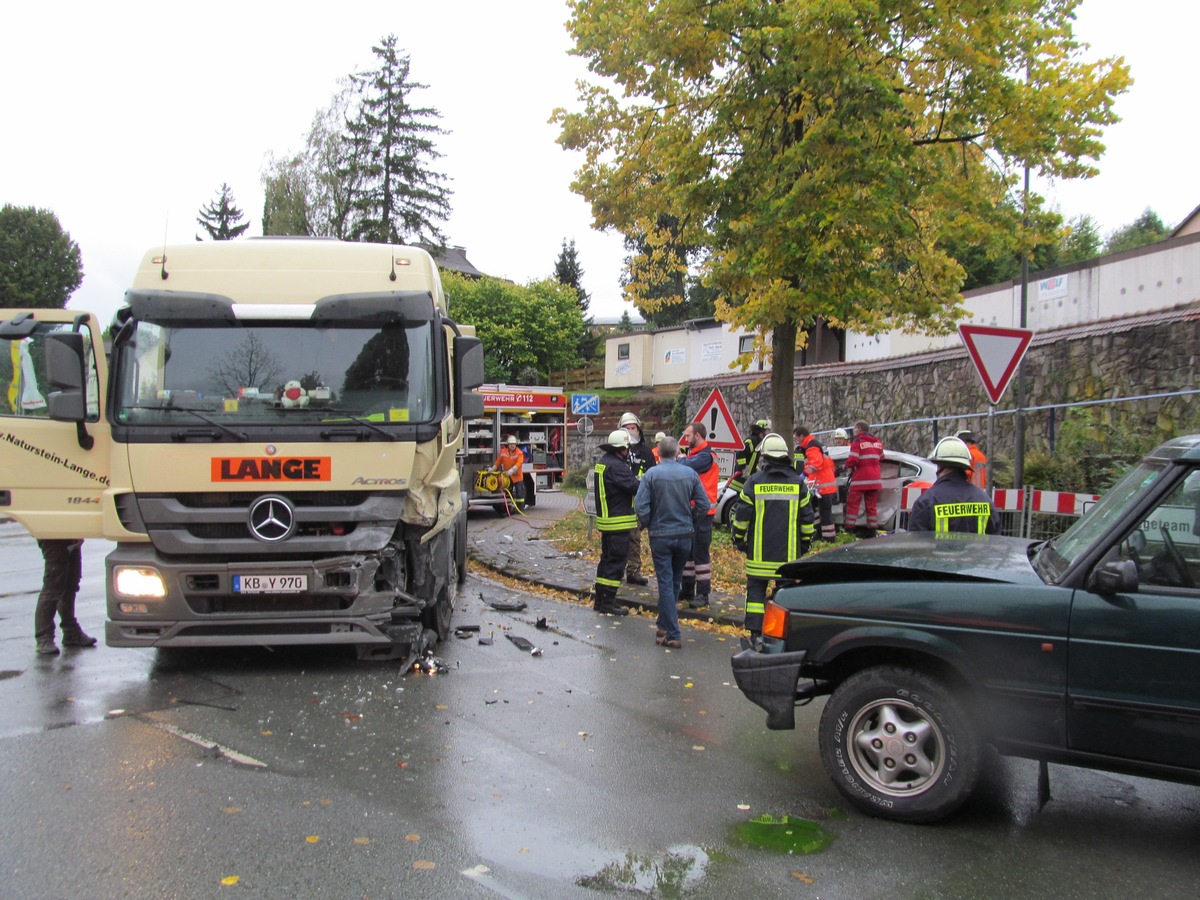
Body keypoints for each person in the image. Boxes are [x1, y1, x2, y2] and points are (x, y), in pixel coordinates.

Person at [732, 434, 814, 639]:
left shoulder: (754, 482)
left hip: (759, 558)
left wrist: (739, 540)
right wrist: (804, 545)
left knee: (756, 595)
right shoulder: (798, 484)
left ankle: (756, 633)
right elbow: (807, 520)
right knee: (784, 596)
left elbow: (742, 517)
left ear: (765, 457)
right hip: (788, 559)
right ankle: (780, 634)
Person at [634, 436, 708, 650]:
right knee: (674, 582)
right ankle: (663, 626)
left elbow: (640, 505)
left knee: (666, 583)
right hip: (684, 535)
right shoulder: (690, 474)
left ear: (659, 452)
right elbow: (703, 504)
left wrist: (649, 522)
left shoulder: (651, 474)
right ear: (677, 453)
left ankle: (673, 633)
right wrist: (691, 521)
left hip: (661, 535)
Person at [591, 429, 639, 615]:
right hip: (618, 522)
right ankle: (608, 601)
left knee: (606, 561)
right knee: (617, 562)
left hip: (607, 521)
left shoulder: (603, 463)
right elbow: (634, 486)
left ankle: (600, 599)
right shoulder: (617, 467)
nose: (629, 451)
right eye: (627, 447)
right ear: (621, 448)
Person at [908, 437, 997, 534]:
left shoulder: (926, 502)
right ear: (965, 466)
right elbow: (995, 538)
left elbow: (918, 543)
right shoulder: (984, 500)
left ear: (939, 465)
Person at [677, 420, 719, 608]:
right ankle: (687, 590)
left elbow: (687, 467)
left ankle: (703, 594)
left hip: (703, 513)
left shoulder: (706, 456)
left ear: (698, 436)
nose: (685, 439)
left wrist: (680, 459)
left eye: (688, 435)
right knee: (688, 553)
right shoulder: (696, 455)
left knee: (700, 555)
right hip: (691, 511)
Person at [35, 538, 96, 656]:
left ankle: (71, 632)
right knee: (53, 586)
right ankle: (43, 638)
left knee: (70, 583)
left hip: (69, 532)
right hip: (53, 534)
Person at [619, 411, 656, 586]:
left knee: (634, 539)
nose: (630, 431)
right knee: (617, 539)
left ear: (638, 430)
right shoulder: (618, 451)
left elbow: (653, 475)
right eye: (626, 428)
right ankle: (618, 569)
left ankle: (632, 571)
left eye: (633, 428)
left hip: (638, 502)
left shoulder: (646, 452)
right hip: (620, 502)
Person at [794, 424, 837, 542]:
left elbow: (816, 464)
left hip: (822, 486)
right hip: (822, 485)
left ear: (802, 436)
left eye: (797, 437)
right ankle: (819, 533)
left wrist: (804, 475)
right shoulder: (817, 445)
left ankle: (829, 539)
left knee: (825, 513)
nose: (796, 440)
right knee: (816, 510)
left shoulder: (812, 447)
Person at [844, 420, 884, 537]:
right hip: (875, 479)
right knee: (871, 506)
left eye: (855, 428)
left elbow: (853, 460)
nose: (855, 431)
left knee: (853, 504)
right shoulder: (877, 442)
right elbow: (881, 457)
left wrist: (845, 466)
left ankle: (849, 530)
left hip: (861, 479)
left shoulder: (857, 442)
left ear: (860, 429)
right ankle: (872, 530)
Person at [727, 418, 771, 497]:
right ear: (761, 432)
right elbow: (740, 453)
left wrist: (757, 470)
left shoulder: (757, 442)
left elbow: (752, 460)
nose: (767, 434)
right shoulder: (752, 441)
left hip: (745, 479)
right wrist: (745, 469)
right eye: (767, 431)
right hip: (740, 480)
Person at [493, 434, 526, 512]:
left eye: (514, 444)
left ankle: (520, 509)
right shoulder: (504, 452)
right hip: (507, 477)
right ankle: (509, 509)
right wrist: (493, 468)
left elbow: (519, 463)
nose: (512, 446)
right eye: (511, 444)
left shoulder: (519, 453)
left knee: (519, 495)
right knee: (509, 493)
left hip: (517, 477)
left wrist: (512, 470)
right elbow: (499, 461)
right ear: (508, 444)